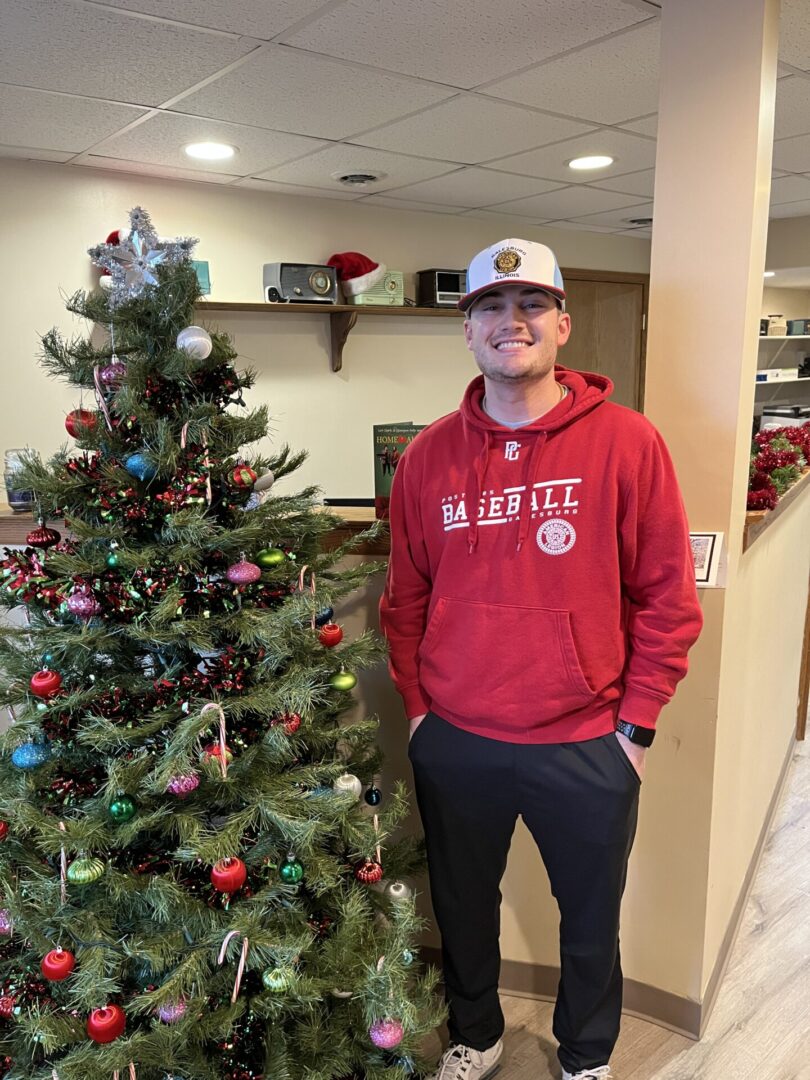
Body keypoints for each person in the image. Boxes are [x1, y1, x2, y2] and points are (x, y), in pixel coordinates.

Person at [379, 239, 703, 1080]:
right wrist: (419, 711)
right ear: (468, 331)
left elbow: (668, 599)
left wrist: (635, 728)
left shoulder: (628, 443)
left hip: (588, 738)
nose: (510, 321)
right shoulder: (427, 457)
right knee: (461, 908)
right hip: (457, 734)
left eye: (530, 304)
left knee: (591, 919)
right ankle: (475, 1036)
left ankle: (586, 1056)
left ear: (562, 323)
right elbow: (405, 598)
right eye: (490, 306)